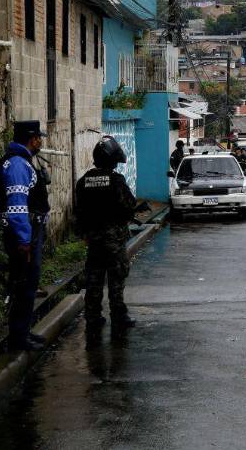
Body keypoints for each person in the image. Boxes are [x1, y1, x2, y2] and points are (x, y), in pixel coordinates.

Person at [76, 136, 138, 343]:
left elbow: (80, 212)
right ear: (111, 160)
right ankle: (119, 316)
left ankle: (93, 318)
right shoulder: (116, 180)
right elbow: (129, 206)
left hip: (93, 240)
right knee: (116, 279)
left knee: (93, 280)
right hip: (113, 240)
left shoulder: (83, 181)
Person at [0, 120, 50, 352]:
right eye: (39, 137)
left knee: (27, 284)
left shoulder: (22, 161)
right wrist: (24, 239)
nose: (40, 141)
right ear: (31, 138)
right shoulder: (18, 164)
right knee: (24, 285)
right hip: (24, 235)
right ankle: (18, 339)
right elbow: (17, 205)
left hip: (28, 232)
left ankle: (23, 332)